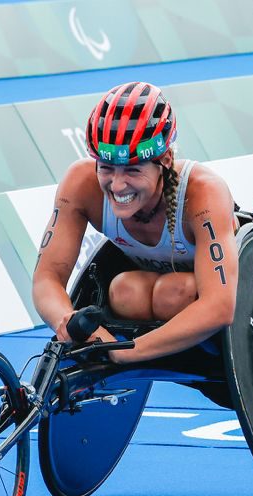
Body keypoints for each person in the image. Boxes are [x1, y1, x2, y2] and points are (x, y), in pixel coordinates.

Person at [31, 81, 239, 364]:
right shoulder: (82, 184)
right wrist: (71, 323)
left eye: (132, 169)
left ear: (165, 158)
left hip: (216, 309)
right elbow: (46, 280)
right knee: (123, 291)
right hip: (139, 293)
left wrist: (128, 351)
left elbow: (220, 306)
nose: (117, 185)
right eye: (106, 167)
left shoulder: (203, 193)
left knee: (175, 293)